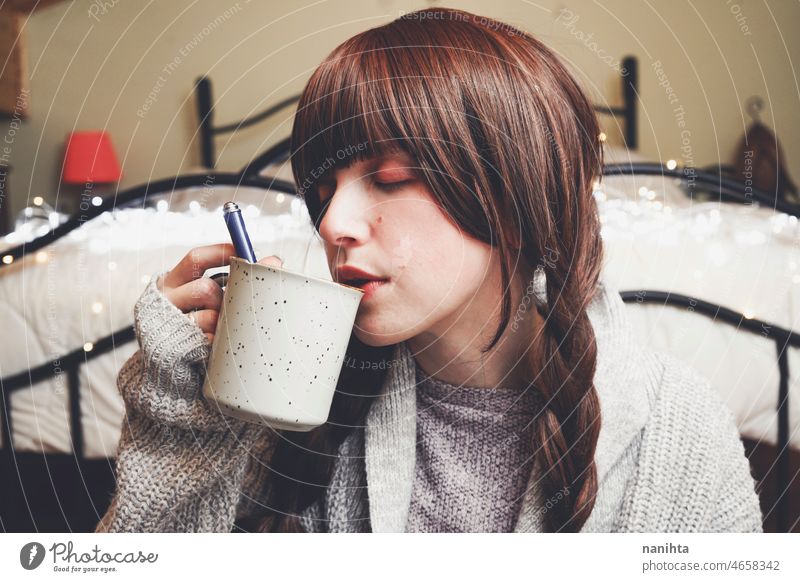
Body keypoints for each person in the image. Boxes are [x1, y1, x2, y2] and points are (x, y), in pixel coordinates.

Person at [96, 7, 762, 533]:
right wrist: (178, 413)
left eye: (390, 179)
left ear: (513, 190)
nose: (331, 225)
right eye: (323, 193)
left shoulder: (678, 429)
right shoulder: (292, 397)